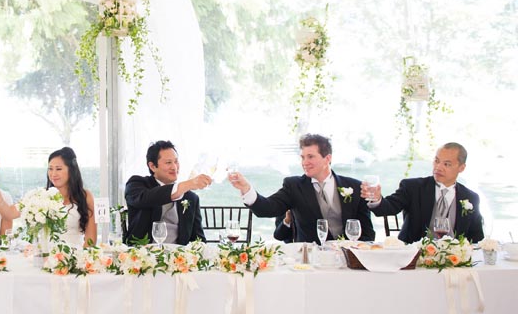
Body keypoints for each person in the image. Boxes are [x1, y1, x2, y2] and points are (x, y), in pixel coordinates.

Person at [229, 133, 375, 243]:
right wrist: (246, 188)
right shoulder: (293, 186)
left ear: (327, 158)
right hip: (309, 263)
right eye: (302, 157)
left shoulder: (355, 187)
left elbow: (368, 233)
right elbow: (267, 208)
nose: (305, 162)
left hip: (349, 261)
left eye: (310, 157)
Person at [362, 142, 484, 243]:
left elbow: (477, 237)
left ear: (461, 168)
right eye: (436, 161)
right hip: (414, 258)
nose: (438, 167)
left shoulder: (471, 198)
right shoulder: (413, 187)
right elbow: (388, 208)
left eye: (446, 164)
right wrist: (376, 199)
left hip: (454, 261)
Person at [124, 140, 210, 244]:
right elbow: (147, 198)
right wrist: (189, 184)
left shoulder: (191, 197)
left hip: (179, 258)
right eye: (168, 162)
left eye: (176, 162)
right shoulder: (137, 184)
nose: (174, 167)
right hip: (143, 256)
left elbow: (198, 240)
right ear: (152, 166)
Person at [45, 147, 96, 247]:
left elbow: (91, 240)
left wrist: (79, 260)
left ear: (71, 170)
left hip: (75, 256)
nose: (53, 174)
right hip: (46, 256)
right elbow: (11, 213)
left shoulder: (85, 196)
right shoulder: (42, 195)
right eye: (50, 169)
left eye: (58, 169)